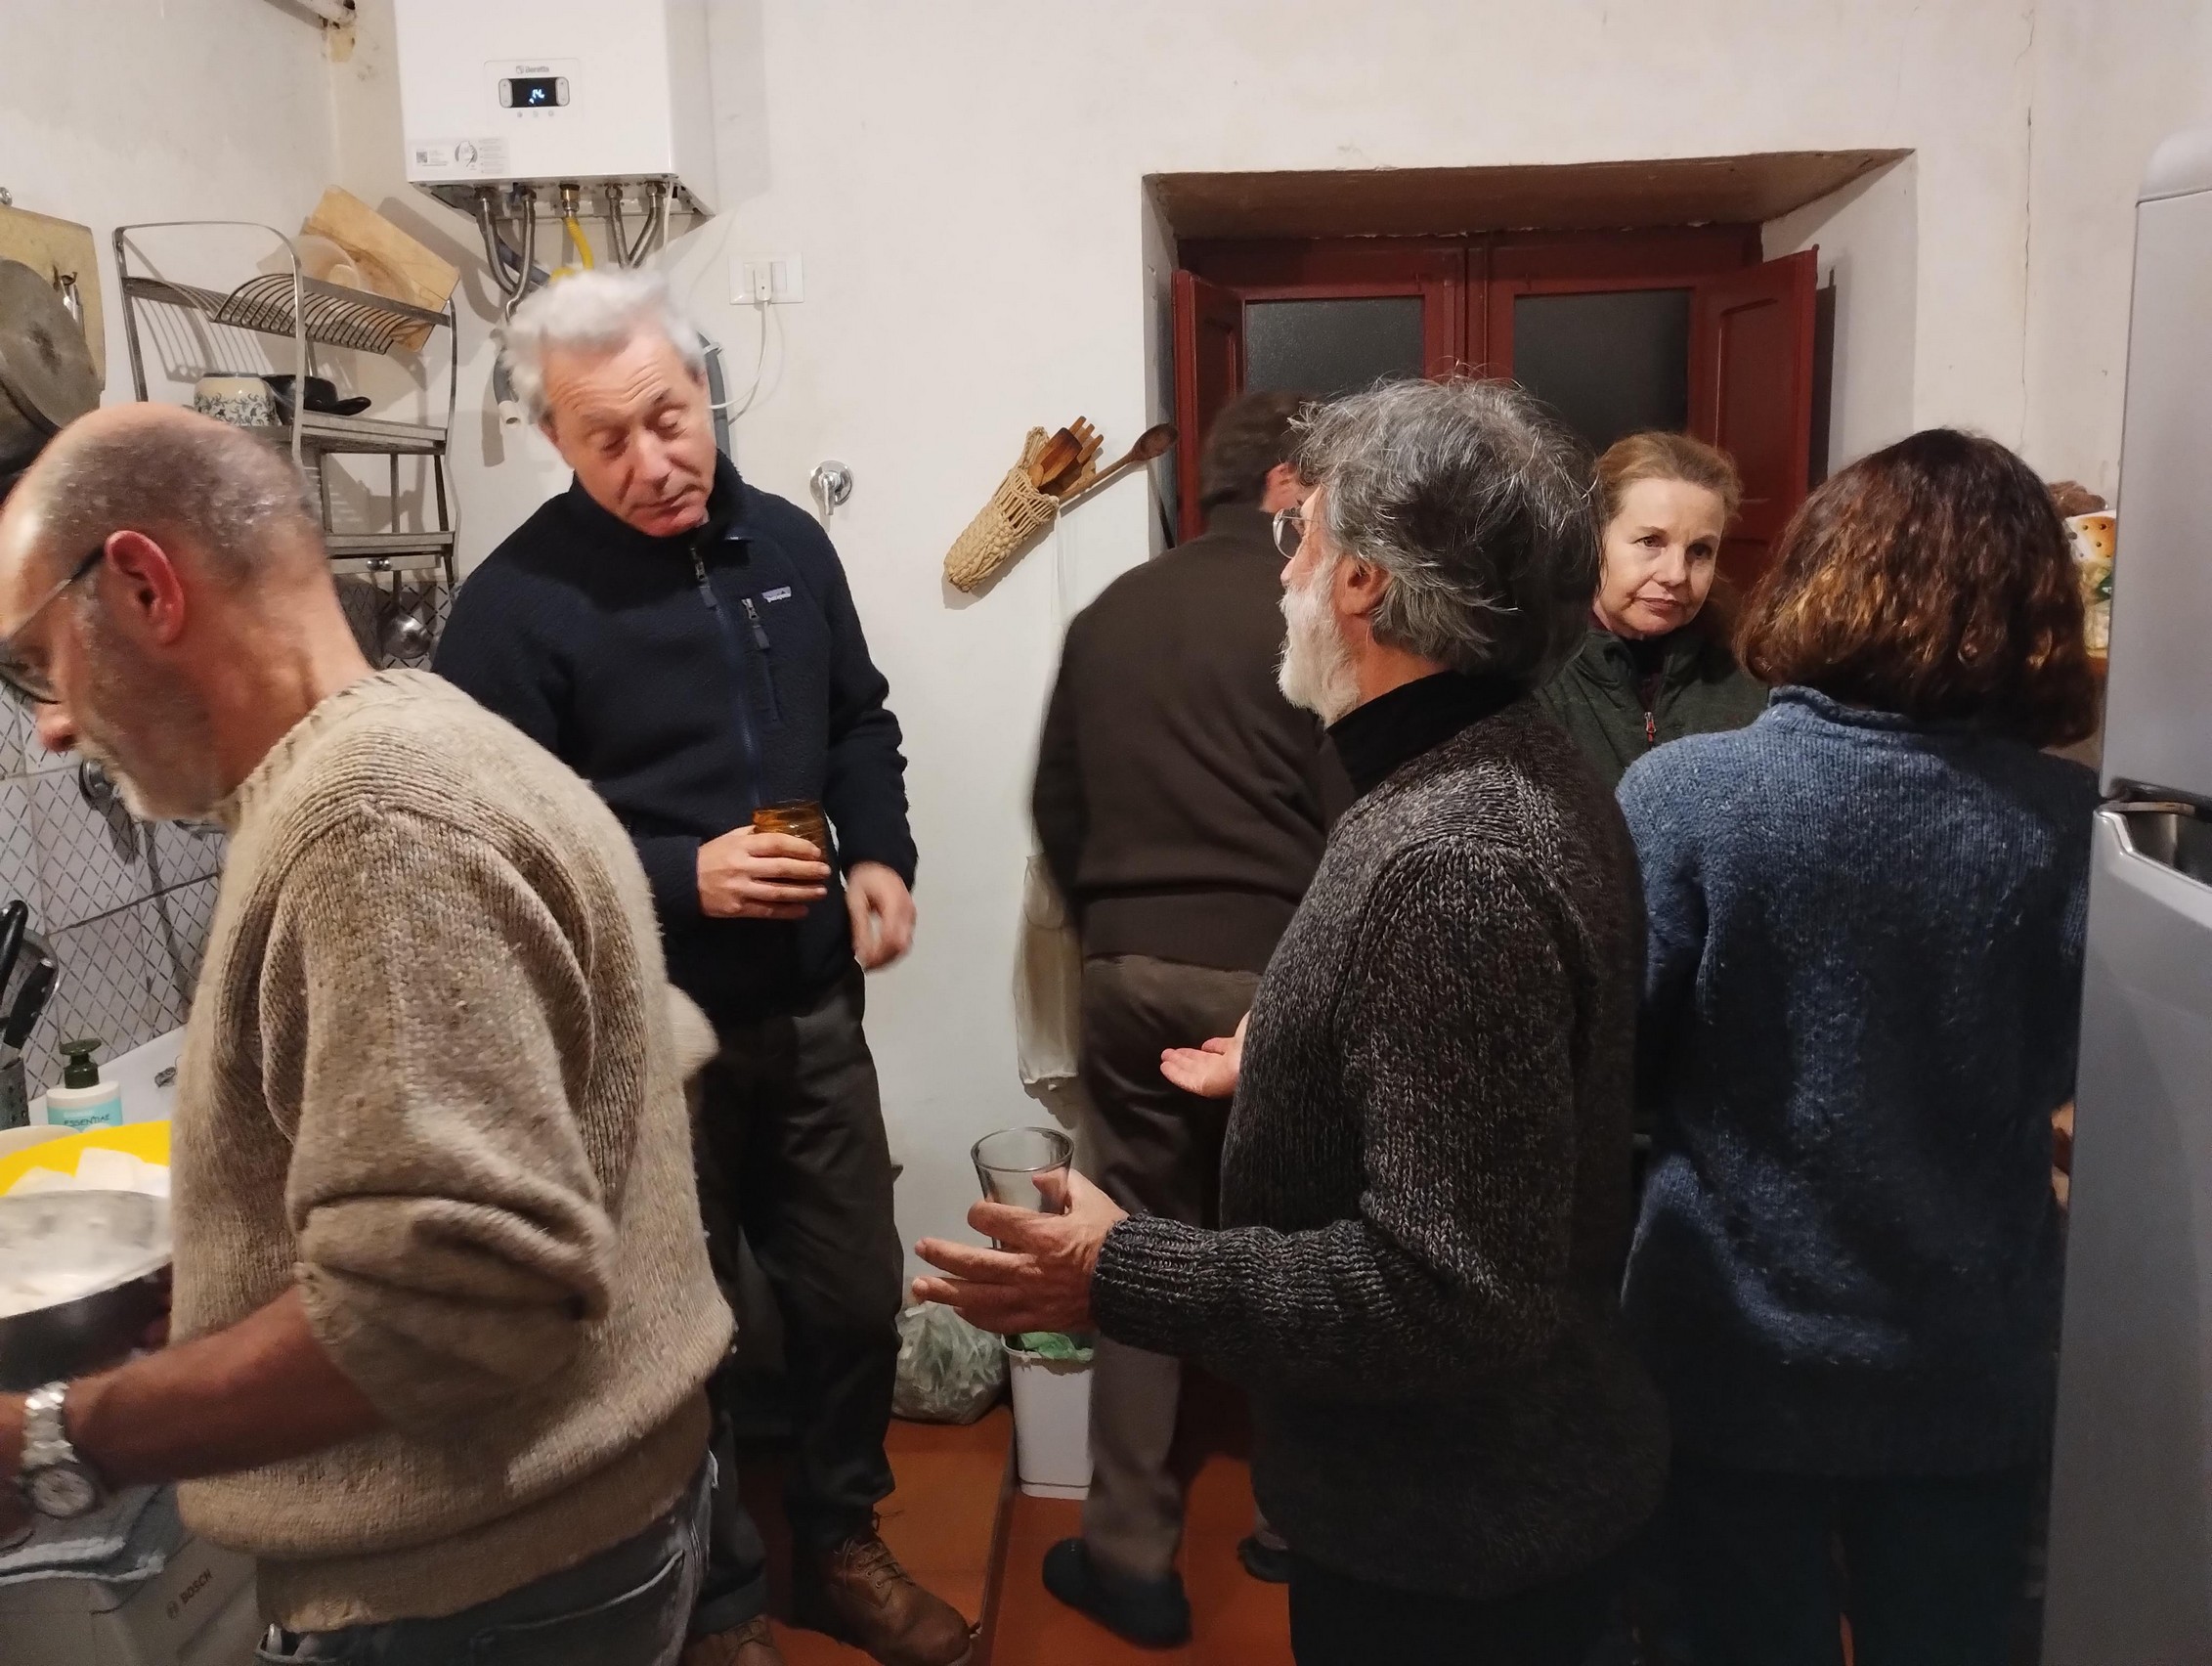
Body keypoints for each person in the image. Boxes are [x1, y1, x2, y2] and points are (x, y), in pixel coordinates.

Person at [917, 377, 1669, 1666]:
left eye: (1303, 538)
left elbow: (1446, 1293)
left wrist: (1116, 1270)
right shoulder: (1486, 771)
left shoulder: (1450, 855)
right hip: (1459, 1509)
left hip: (1458, 1546)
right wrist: (1290, 1062)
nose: (1284, 575)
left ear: (1365, 582)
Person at [0, 406, 732, 1664]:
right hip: (583, 1547)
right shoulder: (441, 746)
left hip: (482, 1600)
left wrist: (55, 1441)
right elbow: (618, 1077)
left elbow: (446, 1308)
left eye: (34, 664)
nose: (50, 724)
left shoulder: (373, 826)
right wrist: (249, 1281)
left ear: (143, 586)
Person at [433, 270, 967, 1666]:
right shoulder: (512, 609)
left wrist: (879, 854)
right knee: (683, 1331)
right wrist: (681, 875)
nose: (651, 461)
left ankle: (840, 1540)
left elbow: (857, 723)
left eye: (667, 417)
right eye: (604, 438)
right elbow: (490, 843)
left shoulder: (785, 543)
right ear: (552, 438)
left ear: (702, 389)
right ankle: (722, 1601)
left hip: (809, 1008)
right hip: (641, 1038)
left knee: (853, 1297)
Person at [1617, 428, 2103, 1666]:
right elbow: (2066, 1069)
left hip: (1727, 1342)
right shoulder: (2072, 827)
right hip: (1967, 1351)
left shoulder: (1687, 795)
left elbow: (1616, 1064)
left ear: (1816, 574)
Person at [1029, 389, 1349, 1644]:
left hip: (1125, 968)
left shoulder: (1108, 612)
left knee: (1133, 1247)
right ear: (1284, 489)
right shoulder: (1310, 607)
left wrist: (1115, 926)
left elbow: (1055, 805)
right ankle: (1296, 1525)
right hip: (1273, 973)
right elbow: (1351, 805)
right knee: (1295, 1244)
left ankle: (1127, 1554)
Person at [1537, 431, 1765, 789]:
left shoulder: (1748, 678)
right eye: (1650, 541)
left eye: (1700, 550)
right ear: (1593, 537)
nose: (1676, 575)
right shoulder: (1532, 677)